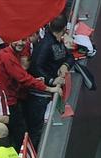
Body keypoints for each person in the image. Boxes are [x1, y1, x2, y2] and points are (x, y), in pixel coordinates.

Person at [0, 39, 61, 149]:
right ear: (10, 40)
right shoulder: (6, 56)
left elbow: (18, 78)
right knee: (20, 137)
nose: (20, 43)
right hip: (8, 103)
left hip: (11, 100)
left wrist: (35, 81)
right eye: (17, 40)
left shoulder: (12, 54)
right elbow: (22, 78)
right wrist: (48, 88)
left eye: (23, 40)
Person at [27, 15, 73, 148]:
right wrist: (52, 80)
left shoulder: (57, 42)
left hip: (47, 94)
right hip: (38, 96)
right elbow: (35, 67)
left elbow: (69, 56)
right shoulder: (45, 44)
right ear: (65, 28)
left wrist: (65, 65)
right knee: (36, 131)